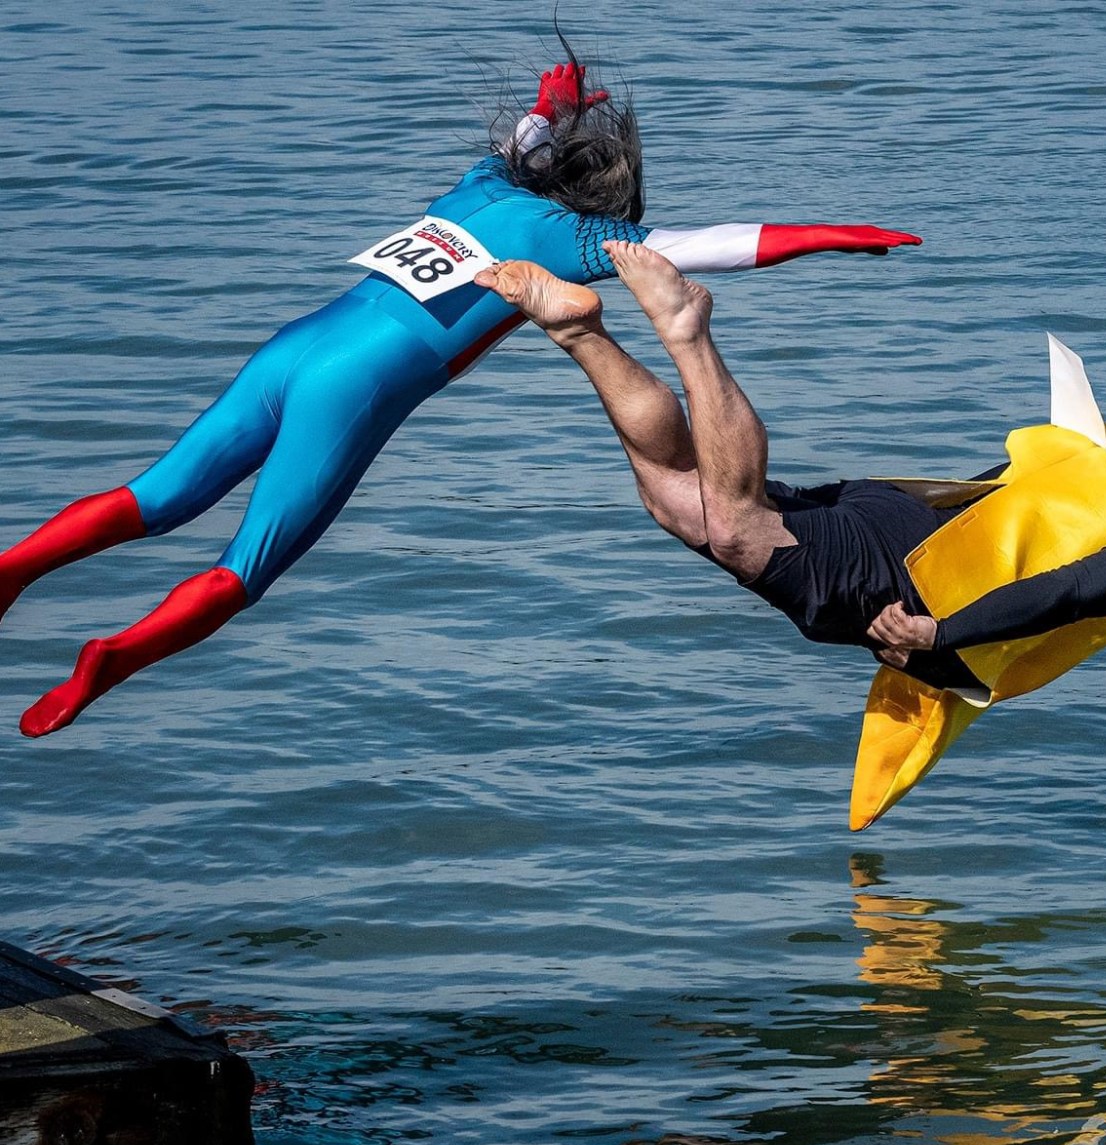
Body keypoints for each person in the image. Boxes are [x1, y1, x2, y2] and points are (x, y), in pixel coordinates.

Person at [0, 59, 920, 737]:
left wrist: (558, 98)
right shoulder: (578, 239)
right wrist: (839, 234)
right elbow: (721, 244)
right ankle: (106, 663)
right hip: (348, 397)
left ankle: (15, 572)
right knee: (245, 568)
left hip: (291, 347)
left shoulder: (482, 184)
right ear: (609, 204)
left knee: (156, 498)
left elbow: (528, 133)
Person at [473, 244, 1106, 693]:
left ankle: (575, 329)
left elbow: (1002, 509)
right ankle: (688, 333)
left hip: (904, 524)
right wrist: (939, 639)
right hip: (915, 577)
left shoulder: (1081, 479)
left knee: (679, 499)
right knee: (736, 528)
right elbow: (1065, 593)